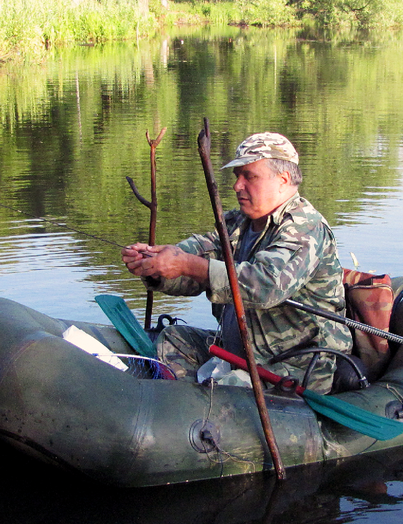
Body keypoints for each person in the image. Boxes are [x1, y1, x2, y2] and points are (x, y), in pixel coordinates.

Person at [121, 132, 352, 393]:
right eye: (236, 176)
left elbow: (265, 284)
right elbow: (197, 255)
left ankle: (196, 407)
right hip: (239, 353)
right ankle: (180, 407)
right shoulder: (237, 223)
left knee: (229, 388)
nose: (237, 186)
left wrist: (187, 264)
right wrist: (155, 264)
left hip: (291, 367)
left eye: (249, 176)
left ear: (283, 180)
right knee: (174, 340)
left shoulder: (305, 228)